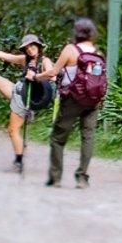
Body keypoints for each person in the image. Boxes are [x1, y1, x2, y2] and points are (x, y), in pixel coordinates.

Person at [39, 17, 107, 189]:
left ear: (76, 32)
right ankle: (82, 177)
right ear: (92, 33)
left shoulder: (71, 49)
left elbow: (54, 71)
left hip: (72, 100)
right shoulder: (97, 53)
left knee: (58, 137)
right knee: (88, 137)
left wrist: (36, 77)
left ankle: (55, 178)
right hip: (93, 101)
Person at [0, 33, 50, 174]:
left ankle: (18, 162)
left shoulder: (44, 61)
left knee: (12, 130)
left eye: (32, 46)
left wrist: (35, 77)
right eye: (26, 48)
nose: (29, 50)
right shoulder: (25, 60)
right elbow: (6, 56)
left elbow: (52, 75)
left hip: (29, 98)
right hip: (19, 93)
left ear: (38, 47)